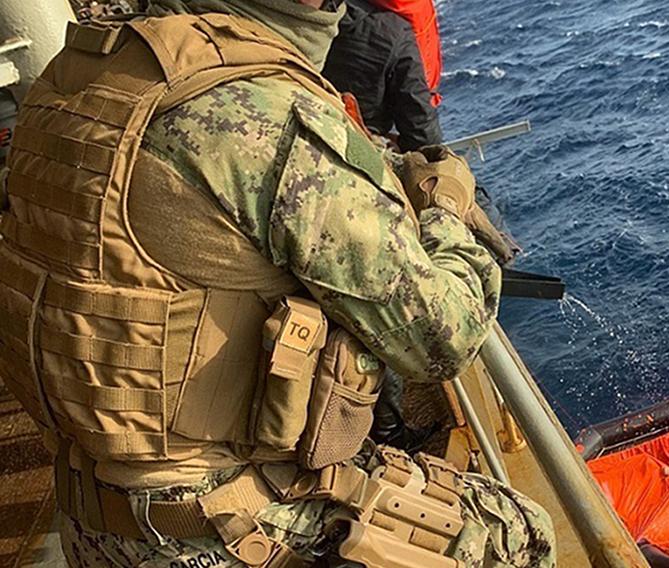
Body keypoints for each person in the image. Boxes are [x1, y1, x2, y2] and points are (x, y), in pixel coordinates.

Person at [0, 0, 555, 566]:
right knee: (522, 532)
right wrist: (446, 207)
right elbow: (442, 340)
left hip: (89, 515)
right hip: (212, 527)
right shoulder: (264, 115)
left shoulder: (72, 76)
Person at [322, 0, 443, 152]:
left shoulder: (312, 14)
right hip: (361, 149)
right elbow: (423, 137)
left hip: (308, 127)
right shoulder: (397, 30)